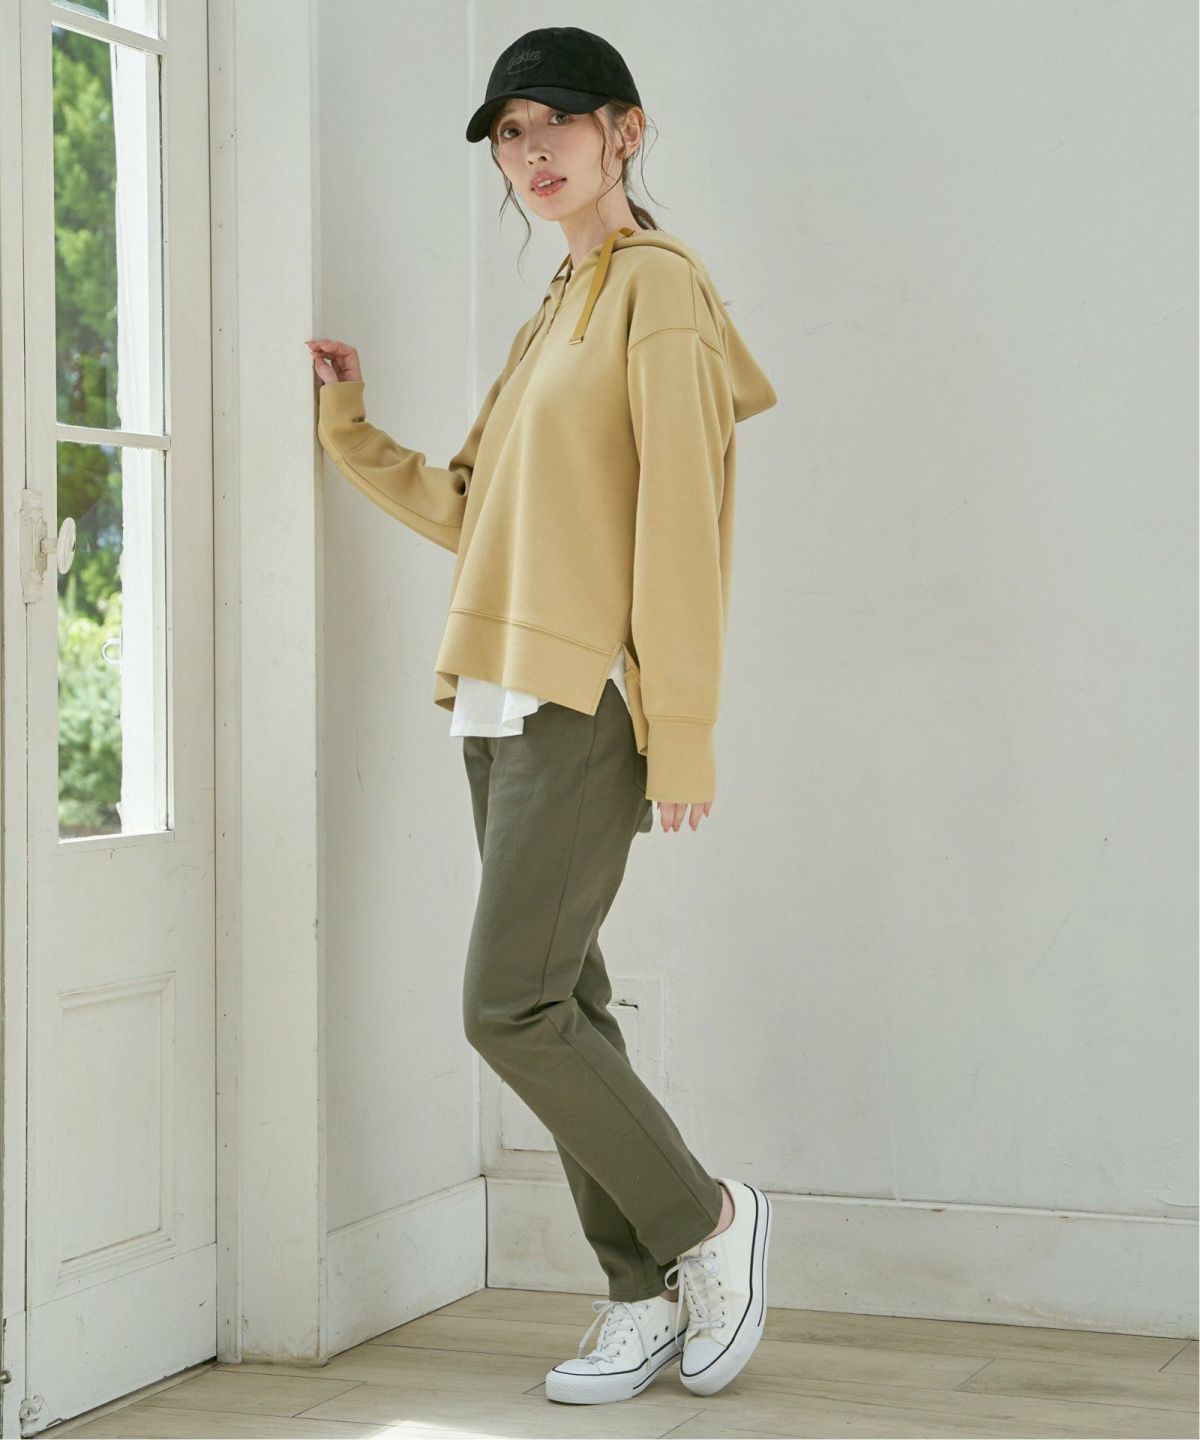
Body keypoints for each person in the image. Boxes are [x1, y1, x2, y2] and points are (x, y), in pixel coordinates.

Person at [307, 24, 777, 1408]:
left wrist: (682, 726)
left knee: (504, 1007)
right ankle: (641, 1292)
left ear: (625, 128)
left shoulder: (658, 292)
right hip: (499, 698)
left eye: (553, 122)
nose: (530, 152)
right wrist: (349, 428)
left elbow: (684, 526)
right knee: (560, 1003)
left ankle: (708, 1222)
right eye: (508, 134)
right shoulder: (556, 308)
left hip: (588, 703)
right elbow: (479, 511)